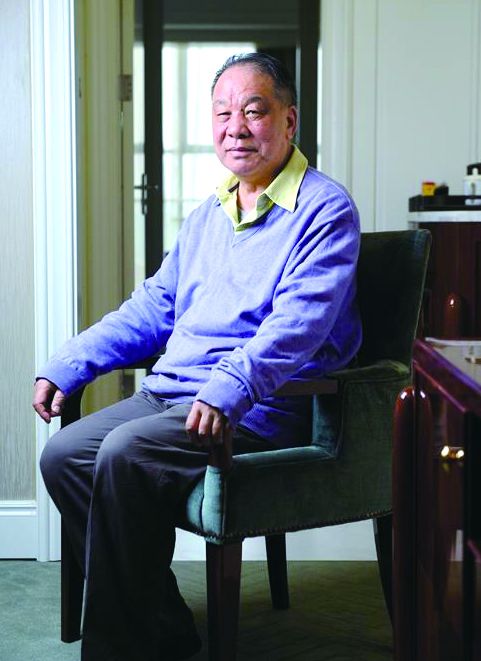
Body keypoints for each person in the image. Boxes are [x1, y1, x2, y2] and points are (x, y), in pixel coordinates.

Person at [33, 53, 362, 661]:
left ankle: (118, 650)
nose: (236, 128)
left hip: (255, 409)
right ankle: (162, 627)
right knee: (64, 455)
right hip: (173, 397)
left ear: (289, 121)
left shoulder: (326, 209)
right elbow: (153, 308)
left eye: (254, 111)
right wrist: (70, 361)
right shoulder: (208, 214)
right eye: (222, 113)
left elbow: (298, 327)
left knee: (124, 452)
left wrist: (230, 385)